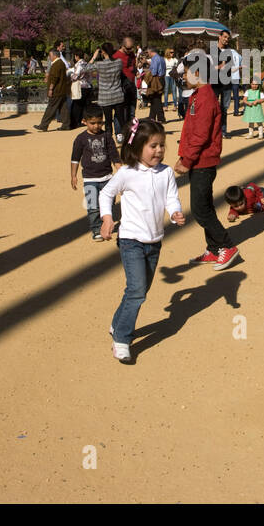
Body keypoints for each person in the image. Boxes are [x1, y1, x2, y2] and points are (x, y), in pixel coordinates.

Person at [99, 118, 185, 363]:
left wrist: (175, 211)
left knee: (140, 289)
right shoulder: (127, 173)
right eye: (153, 146)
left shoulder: (167, 172)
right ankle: (122, 340)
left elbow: (171, 197)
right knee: (137, 291)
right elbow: (106, 194)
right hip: (130, 240)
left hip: (154, 240)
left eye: (162, 145)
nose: (159, 150)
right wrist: (107, 219)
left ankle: (117, 323)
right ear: (137, 147)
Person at [174, 56, 239, 271]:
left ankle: (227, 246)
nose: (183, 76)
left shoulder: (206, 98)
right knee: (206, 205)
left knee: (200, 209)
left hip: (203, 161)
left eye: (186, 72)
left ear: (198, 74)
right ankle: (213, 249)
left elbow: (201, 135)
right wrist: (183, 155)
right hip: (196, 160)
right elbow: (190, 131)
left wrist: (187, 159)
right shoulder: (197, 96)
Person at [72, 105, 120, 241]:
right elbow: (75, 158)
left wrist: (122, 173)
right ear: (84, 122)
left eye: (100, 122)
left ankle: (106, 224)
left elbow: (114, 156)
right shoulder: (80, 139)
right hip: (89, 179)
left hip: (107, 178)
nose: (96, 126)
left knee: (109, 204)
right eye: (92, 123)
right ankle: (96, 229)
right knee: (93, 206)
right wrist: (73, 175)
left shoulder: (106, 136)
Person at [90, 43, 127, 141]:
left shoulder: (100, 64)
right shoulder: (119, 62)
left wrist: (94, 56)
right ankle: (125, 139)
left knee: (107, 121)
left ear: (102, 52)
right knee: (121, 119)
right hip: (117, 95)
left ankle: (108, 140)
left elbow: (86, 68)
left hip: (105, 96)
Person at [35, 49, 71, 132]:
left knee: (51, 108)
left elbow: (55, 78)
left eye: (50, 55)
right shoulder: (61, 63)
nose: (49, 57)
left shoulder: (56, 64)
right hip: (62, 90)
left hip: (56, 90)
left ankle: (43, 125)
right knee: (63, 108)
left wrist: (51, 89)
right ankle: (66, 124)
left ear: (55, 55)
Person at [113, 36, 138, 134]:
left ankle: (130, 133)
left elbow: (133, 66)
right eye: (128, 48)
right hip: (121, 87)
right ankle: (119, 133)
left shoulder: (132, 54)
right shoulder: (116, 56)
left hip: (131, 86)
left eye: (132, 48)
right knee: (120, 112)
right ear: (122, 46)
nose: (130, 50)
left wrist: (136, 70)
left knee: (131, 111)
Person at [145, 47, 166, 123]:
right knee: (154, 98)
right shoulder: (161, 58)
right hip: (162, 79)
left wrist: (146, 72)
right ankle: (152, 117)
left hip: (156, 80)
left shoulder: (154, 59)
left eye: (147, 52)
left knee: (156, 99)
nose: (147, 54)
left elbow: (154, 72)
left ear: (151, 52)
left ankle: (161, 118)